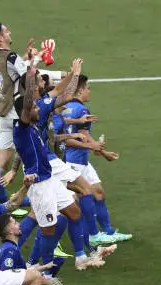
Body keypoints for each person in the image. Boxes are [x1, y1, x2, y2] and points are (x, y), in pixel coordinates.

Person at [13, 65, 104, 272]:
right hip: (40, 182)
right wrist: (29, 76)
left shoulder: (36, 120)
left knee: (72, 211)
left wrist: (73, 74)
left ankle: (79, 256)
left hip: (49, 177)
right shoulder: (25, 123)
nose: (38, 108)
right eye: (39, 82)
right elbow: (34, 103)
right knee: (47, 226)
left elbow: (60, 97)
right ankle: (40, 268)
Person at [63, 75, 132, 245]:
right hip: (74, 162)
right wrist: (97, 149)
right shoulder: (81, 110)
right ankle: (90, 236)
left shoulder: (68, 107)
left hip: (82, 161)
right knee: (73, 200)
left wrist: (103, 152)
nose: (89, 91)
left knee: (98, 192)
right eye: (87, 88)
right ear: (80, 90)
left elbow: (84, 137)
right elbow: (79, 138)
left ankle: (107, 231)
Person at [0, 22, 34, 176]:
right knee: (33, 155)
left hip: (3, 113)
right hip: (16, 113)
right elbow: (29, 77)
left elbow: (10, 67)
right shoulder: (12, 57)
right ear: (0, 37)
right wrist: (35, 61)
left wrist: (25, 58)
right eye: (6, 31)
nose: (9, 32)